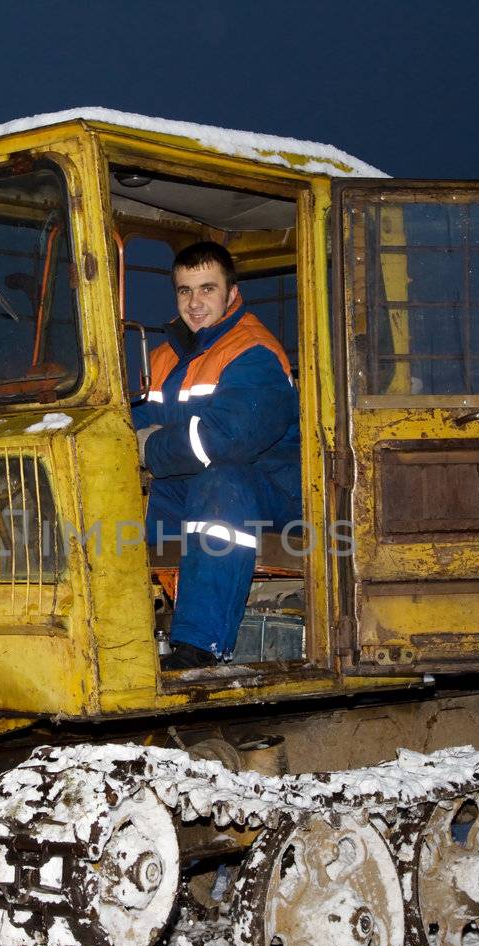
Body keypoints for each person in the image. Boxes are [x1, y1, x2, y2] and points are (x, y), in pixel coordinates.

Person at [133, 241, 301, 669]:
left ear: (231, 293)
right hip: (192, 482)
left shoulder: (253, 352)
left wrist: (151, 446)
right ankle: (122, 636)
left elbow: (227, 439)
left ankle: (201, 646)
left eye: (207, 289)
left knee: (220, 484)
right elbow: (132, 424)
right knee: (120, 498)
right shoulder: (163, 357)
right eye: (185, 291)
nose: (194, 303)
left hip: (270, 488)